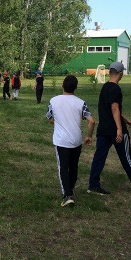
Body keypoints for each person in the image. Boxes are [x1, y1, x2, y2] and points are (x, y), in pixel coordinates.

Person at [88, 62, 131, 195]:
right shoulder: (116, 89)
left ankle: (93, 185)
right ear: (121, 73)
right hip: (115, 131)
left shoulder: (105, 87)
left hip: (103, 130)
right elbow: (114, 108)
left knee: (99, 157)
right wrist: (119, 129)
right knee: (126, 157)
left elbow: (112, 109)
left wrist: (126, 119)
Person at [46, 75, 95, 207]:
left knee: (63, 167)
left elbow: (50, 118)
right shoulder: (81, 103)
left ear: (62, 85)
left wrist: (59, 122)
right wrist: (89, 136)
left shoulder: (53, 101)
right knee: (73, 166)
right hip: (76, 140)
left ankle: (67, 195)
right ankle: (71, 189)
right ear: (76, 87)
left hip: (61, 141)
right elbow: (91, 121)